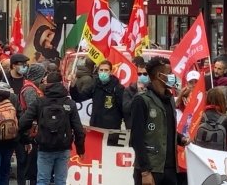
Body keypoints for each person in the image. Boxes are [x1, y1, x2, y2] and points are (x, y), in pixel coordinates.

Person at [130, 57, 190, 185]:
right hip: (151, 170)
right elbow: (136, 138)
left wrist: (181, 139)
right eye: (169, 73)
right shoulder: (141, 100)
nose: (172, 76)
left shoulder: (170, 99)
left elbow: (166, 128)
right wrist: (145, 172)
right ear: (159, 75)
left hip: (170, 169)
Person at [19, 72, 85, 185]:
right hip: (63, 146)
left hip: (45, 146)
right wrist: (80, 149)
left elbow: (23, 123)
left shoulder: (39, 102)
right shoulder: (69, 103)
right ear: (61, 84)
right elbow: (79, 129)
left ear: (47, 85)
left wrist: (27, 139)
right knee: (60, 180)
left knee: (43, 180)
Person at [69, 60, 125, 130]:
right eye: (101, 70)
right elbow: (78, 98)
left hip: (111, 129)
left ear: (111, 72)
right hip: (95, 127)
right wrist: (73, 86)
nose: (103, 72)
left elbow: (123, 109)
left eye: (106, 70)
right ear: (98, 72)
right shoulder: (95, 85)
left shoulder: (118, 88)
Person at [123, 60, 150, 129]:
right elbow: (126, 109)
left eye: (145, 74)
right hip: (133, 128)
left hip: (148, 129)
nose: (142, 76)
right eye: (139, 74)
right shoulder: (129, 90)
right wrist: (138, 94)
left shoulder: (153, 90)